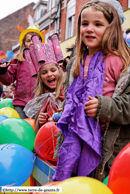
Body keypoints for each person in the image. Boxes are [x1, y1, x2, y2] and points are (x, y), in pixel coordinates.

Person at [52, 0, 130, 182]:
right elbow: (71, 100)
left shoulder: (120, 62)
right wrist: (62, 114)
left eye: (98, 24)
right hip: (76, 140)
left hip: (108, 147)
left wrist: (104, 105)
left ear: (113, 29)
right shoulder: (76, 62)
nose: (89, 29)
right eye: (84, 24)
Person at [0, 25, 45, 119]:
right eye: (28, 40)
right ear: (24, 44)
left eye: (35, 40)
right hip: (20, 103)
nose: (32, 43)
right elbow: (8, 80)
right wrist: (3, 71)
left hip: (39, 103)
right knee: (22, 127)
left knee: (35, 130)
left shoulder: (45, 60)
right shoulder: (17, 60)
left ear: (40, 43)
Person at [24, 34, 65, 134]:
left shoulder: (68, 91)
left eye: (53, 70)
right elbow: (40, 131)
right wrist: (41, 120)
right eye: (44, 72)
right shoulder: (41, 98)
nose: (49, 74)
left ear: (59, 71)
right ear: (40, 78)